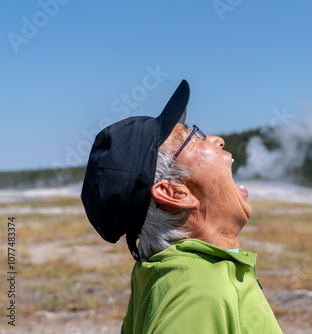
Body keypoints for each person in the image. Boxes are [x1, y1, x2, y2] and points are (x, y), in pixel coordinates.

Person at [81, 80, 283, 333]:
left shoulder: (164, 273)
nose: (216, 139)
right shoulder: (198, 294)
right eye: (192, 137)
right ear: (175, 193)